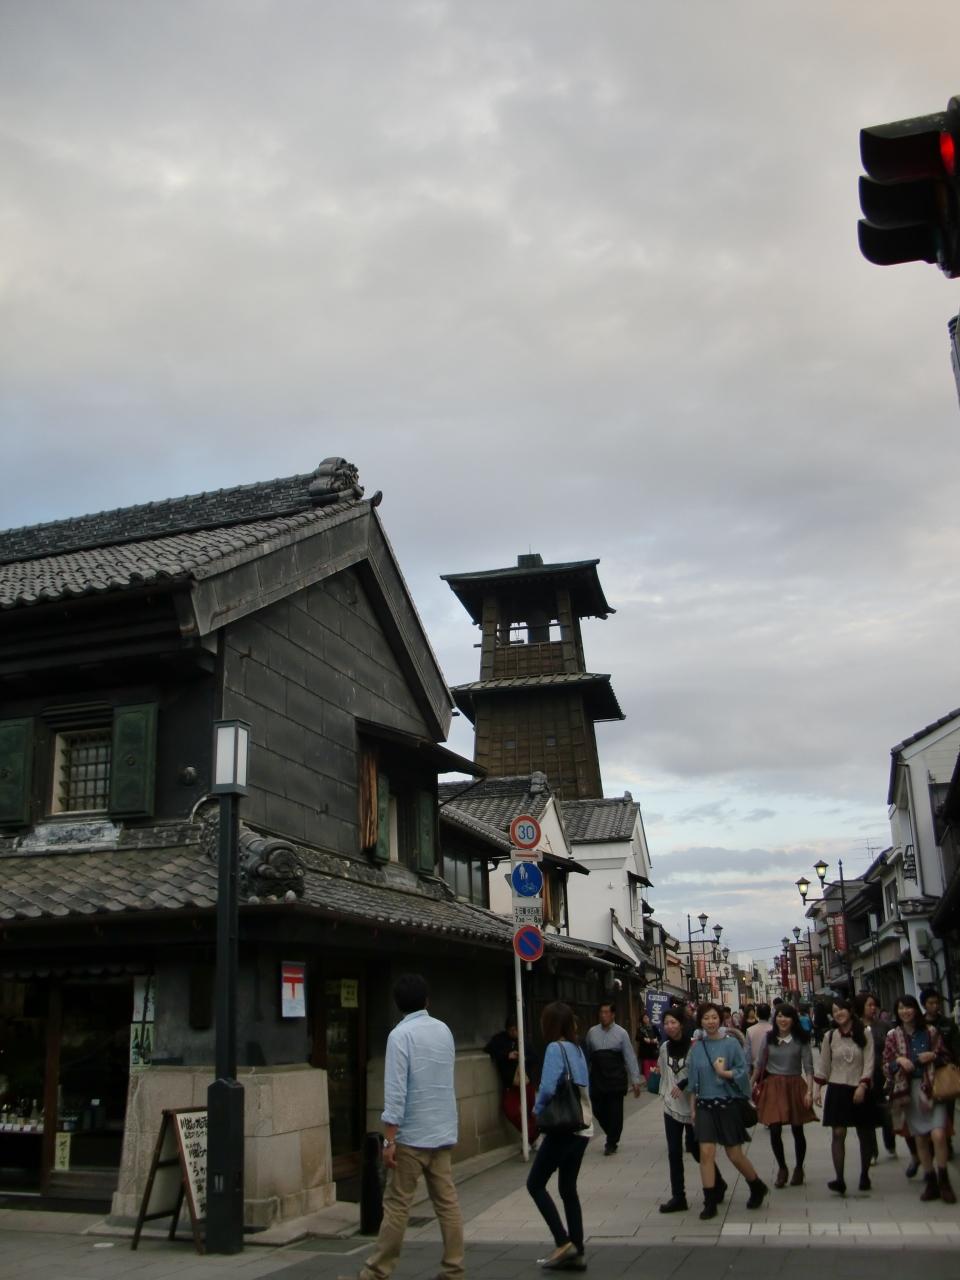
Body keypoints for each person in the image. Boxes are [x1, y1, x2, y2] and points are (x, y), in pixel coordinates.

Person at [345, 974, 463, 1280]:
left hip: (411, 1135)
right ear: (427, 1000)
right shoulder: (444, 1030)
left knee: (397, 1204)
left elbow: (396, 1090)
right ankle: (454, 1269)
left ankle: (376, 1271)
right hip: (442, 1129)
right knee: (447, 1203)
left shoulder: (400, 1036)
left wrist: (389, 1139)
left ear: (397, 1004)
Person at [687, 1001, 768, 1220]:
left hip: (728, 1103)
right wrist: (692, 1108)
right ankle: (710, 1201)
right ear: (700, 1021)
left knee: (734, 1154)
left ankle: (756, 1185)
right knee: (706, 1152)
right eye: (706, 1018)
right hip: (704, 1105)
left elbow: (742, 1071)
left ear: (720, 1019)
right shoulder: (697, 1048)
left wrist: (725, 1074)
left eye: (714, 1017)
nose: (710, 1022)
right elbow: (693, 1081)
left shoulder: (731, 1044)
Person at [527, 1001, 592, 1271]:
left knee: (535, 1184)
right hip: (582, 1126)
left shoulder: (555, 1048)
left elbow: (547, 1087)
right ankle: (577, 1251)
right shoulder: (577, 1048)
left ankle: (563, 1242)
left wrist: (536, 1110)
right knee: (568, 1189)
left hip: (562, 1127)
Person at [883, 994, 955, 1204]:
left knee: (939, 1134)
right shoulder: (893, 1036)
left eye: (909, 1007)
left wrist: (933, 1056)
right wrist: (899, 1061)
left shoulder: (930, 1032)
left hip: (931, 1087)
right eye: (901, 1008)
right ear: (897, 1012)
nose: (905, 1012)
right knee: (920, 1137)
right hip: (908, 1090)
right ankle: (931, 1180)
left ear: (916, 1009)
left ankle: (944, 1179)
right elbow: (886, 1066)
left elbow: (946, 1056)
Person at [813, 998, 875, 1195]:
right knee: (838, 1133)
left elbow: (869, 1061)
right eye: (835, 1011)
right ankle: (839, 1179)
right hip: (837, 1088)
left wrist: (863, 1085)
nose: (838, 1013)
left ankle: (865, 1174)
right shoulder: (830, 1036)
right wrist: (817, 1089)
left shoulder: (864, 1033)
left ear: (850, 1011)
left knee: (864, 1132)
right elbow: (824, 1064)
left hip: (859, 1086)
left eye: (841, 1010)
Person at [752, 1003, 816, 1187]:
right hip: (773, 1085)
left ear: (793, 1019)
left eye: (786, 1016)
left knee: (797, 1128)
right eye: (779, 1016)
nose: (783, 1020)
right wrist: (750, 1085)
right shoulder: (768, 1038)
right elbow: (759, 1064)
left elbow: (808, 1067)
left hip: (794, 1084)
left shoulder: (801, 1039)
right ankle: (782, 1167)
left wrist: (810, 1091)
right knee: (774, 1128)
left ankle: (799, 1168)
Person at [656, 1008, 700, 1213]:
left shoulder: (693, 1046)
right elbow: (663, 1072)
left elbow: (698, 1072)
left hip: (691, 1105)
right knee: (674, 1152)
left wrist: (684, 1083)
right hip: (671, 1105)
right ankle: (678, 1196)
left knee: (697, 1149)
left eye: (673, 1022)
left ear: (681, 1024)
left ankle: (717, 1183)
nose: (669, 1026)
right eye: (666, 1023)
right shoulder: (664, 1047)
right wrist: (665, 1091)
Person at [584, 1001, 641, 1155]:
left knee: (615, 1111)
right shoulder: (592, 1033)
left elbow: (629, 1056)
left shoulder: (621, 1033)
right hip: (598, 1077)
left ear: (613, 1014)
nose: (603, 1015)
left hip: (616, 1077)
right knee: (597, 1109)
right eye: (601, 1012)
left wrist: (635, 1080)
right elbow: (587, 1055)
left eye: (606, 1012)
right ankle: (611, 1132)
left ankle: (611, 1142)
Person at [853, 991, 897, 1160]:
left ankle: (890, 1141)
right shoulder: (855, 1027)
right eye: (869, 1005)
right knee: (866, 1115)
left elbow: (893, 1047)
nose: (873, 1008)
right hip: (862, 1076)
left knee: (887, 1113)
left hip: (882, 1074)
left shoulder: (884, 1026)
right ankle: (871, 1150)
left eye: (874, 1005)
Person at [485, 1017, 538, 1144]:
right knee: (510, 1109)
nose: (515, 1033)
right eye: (512, 1030)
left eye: (517, 1030)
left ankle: (532, 1137)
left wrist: (524, 1058)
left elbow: (535, 1058)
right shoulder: (500, 1040)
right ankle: (531, 1135)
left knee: (530, 1110)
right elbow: (489, 1049)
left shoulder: (525, 1041)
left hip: (526, 1081)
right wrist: (507, 1055)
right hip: (511, 1082)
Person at [745, 1002, 772, 1068]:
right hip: (772, 1067)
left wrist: (747, 1068)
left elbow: (747, 1052)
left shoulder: (750, 1030)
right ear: (770, 1014)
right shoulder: (774, 1030)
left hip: (755, 1066)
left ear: (757, 1014)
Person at [636, 1012, 660, 1081]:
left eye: (647, 1017)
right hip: (645, 1052)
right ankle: (648, 1081)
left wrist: (656, 1039)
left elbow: (659, 1036)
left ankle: (654, 1081)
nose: (646, 1019)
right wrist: (644, 1039)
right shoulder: (640, 1029)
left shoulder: (653, 1027)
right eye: (644, 1018)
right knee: (647, 1069)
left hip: (653, 1051)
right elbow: (637, 1038)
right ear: (642, 1020)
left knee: (655, 1068)